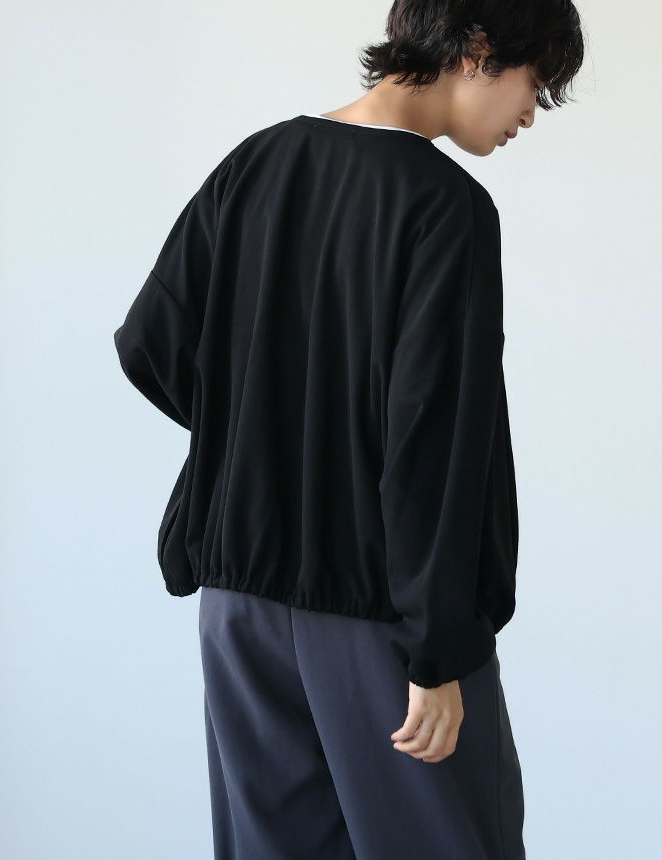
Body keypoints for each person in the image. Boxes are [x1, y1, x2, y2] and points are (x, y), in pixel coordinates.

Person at [113, 1, 585, 857]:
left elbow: (150, 343)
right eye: (536, 83)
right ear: (478, 49)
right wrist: (436, 651)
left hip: (240, 608)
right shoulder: (446, 207)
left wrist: (262, 444)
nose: (530, 112)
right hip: (382, 614)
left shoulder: (255, 165)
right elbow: (435, 438)